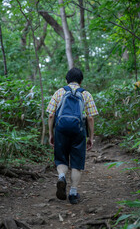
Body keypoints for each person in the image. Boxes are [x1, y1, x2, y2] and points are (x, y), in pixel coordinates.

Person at [46, 67, 98, 204]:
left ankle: (62, 176)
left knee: (61, 158)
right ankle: (73, 193)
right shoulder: (86, 94)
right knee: (77, 162)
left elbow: (51, 115)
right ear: (81, 81)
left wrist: (51, 133)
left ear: (66, 79)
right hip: (78, 130)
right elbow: (90, 118)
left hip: (61, 130)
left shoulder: (59, 92)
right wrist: (90, 137)